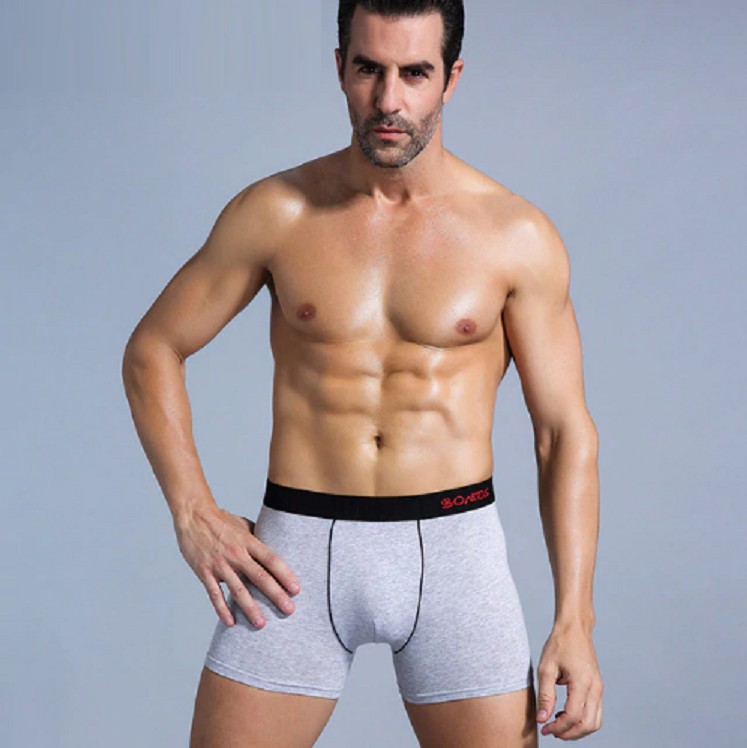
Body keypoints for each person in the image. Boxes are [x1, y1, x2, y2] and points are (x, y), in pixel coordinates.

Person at [122, 1, 603, 745]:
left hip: (454, 556)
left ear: (451, 78)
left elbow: (562, 433)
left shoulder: (515, 235)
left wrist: (575, 618)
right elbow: (152, 348)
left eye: (414, 73)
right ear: (340, 68)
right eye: (369, 69)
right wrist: (192, 512)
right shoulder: (276, 212)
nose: (388, 99)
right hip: (296, 555)